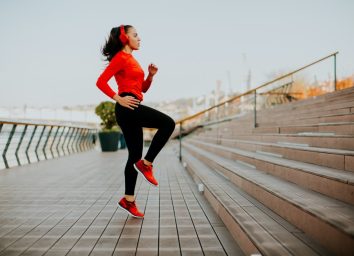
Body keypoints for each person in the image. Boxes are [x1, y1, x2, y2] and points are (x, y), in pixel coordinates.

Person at [96, 25, 176, 218]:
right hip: (127, 107)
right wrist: (119, 98)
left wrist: (150, 75)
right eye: (135, 35)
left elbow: (143, 89)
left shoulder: (131, 59)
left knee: (133, 157)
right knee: (168, 123)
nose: (139, 38)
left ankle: (128, 200)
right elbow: (101, 82)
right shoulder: (120, 58)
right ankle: (147, 164)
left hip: (131, 106)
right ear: (125, 38)